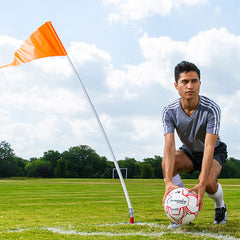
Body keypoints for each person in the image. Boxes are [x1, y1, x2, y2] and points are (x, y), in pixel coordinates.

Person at [162, 61, 227, 229]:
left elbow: (209, 147)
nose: (190, 86)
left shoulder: (211, 109)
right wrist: (168, 181)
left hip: (213, 150)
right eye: (185, 81)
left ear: (199, 83)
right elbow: (169, 146)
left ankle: (220, 206)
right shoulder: (169, 111)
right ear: (176, 85)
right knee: (168, 162)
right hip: (189, 151)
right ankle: (181, 208)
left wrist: (202, 181)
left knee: (209, 184)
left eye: (194, 81)